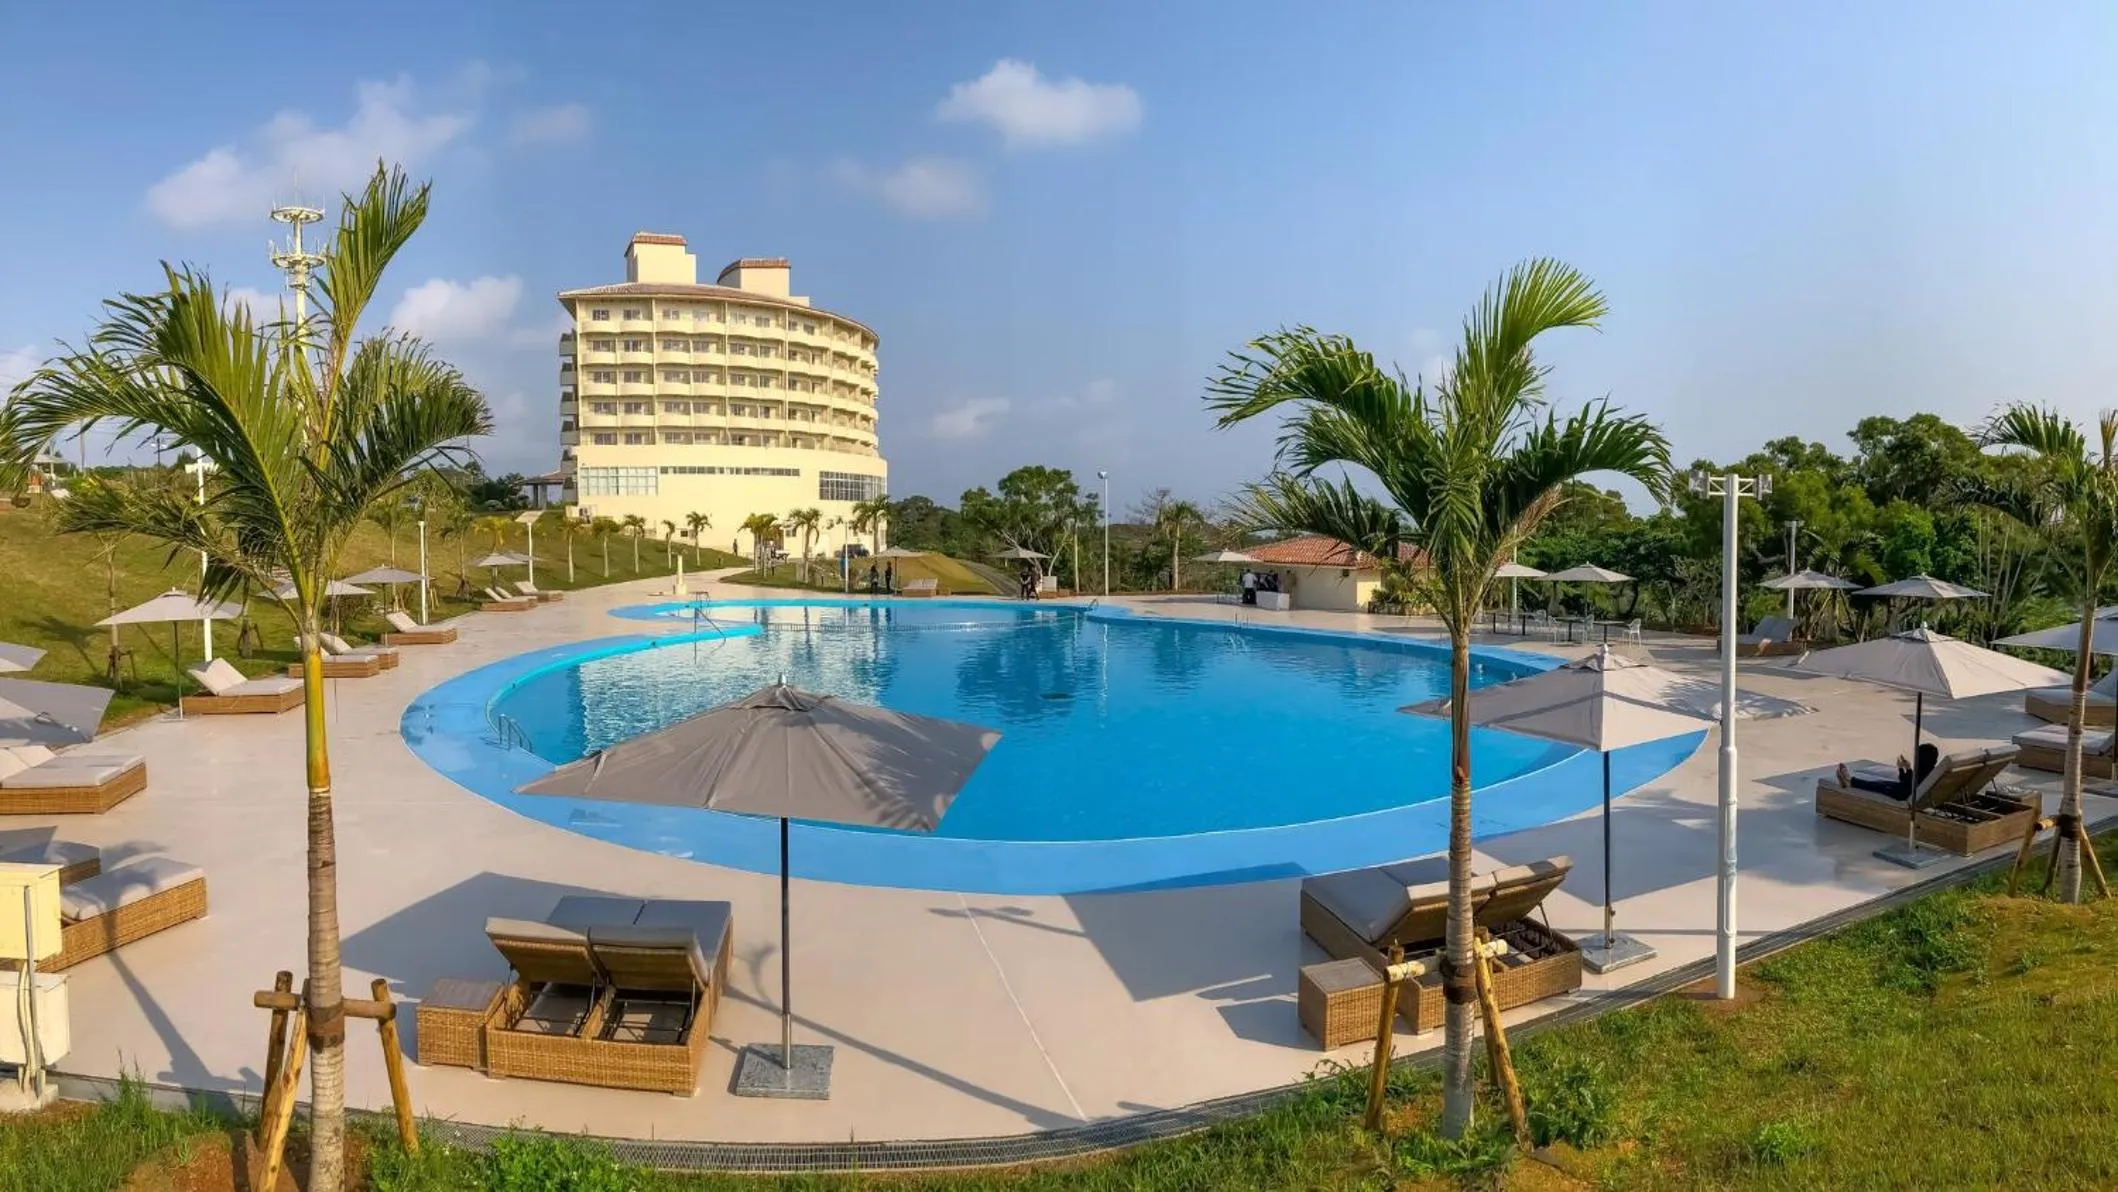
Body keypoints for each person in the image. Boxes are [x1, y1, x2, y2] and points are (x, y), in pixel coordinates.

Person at [1838, 742, 1939, 801]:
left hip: (1903, 794)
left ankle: (1850, 781)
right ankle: (1851, 781)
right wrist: (1907, 768)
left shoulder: (1922, 770)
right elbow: (1912, 780)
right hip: (1908, 790)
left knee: (1878, 786)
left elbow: (1905, 780)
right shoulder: (1930, 769)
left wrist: (1901, 768)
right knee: (1882, 782)